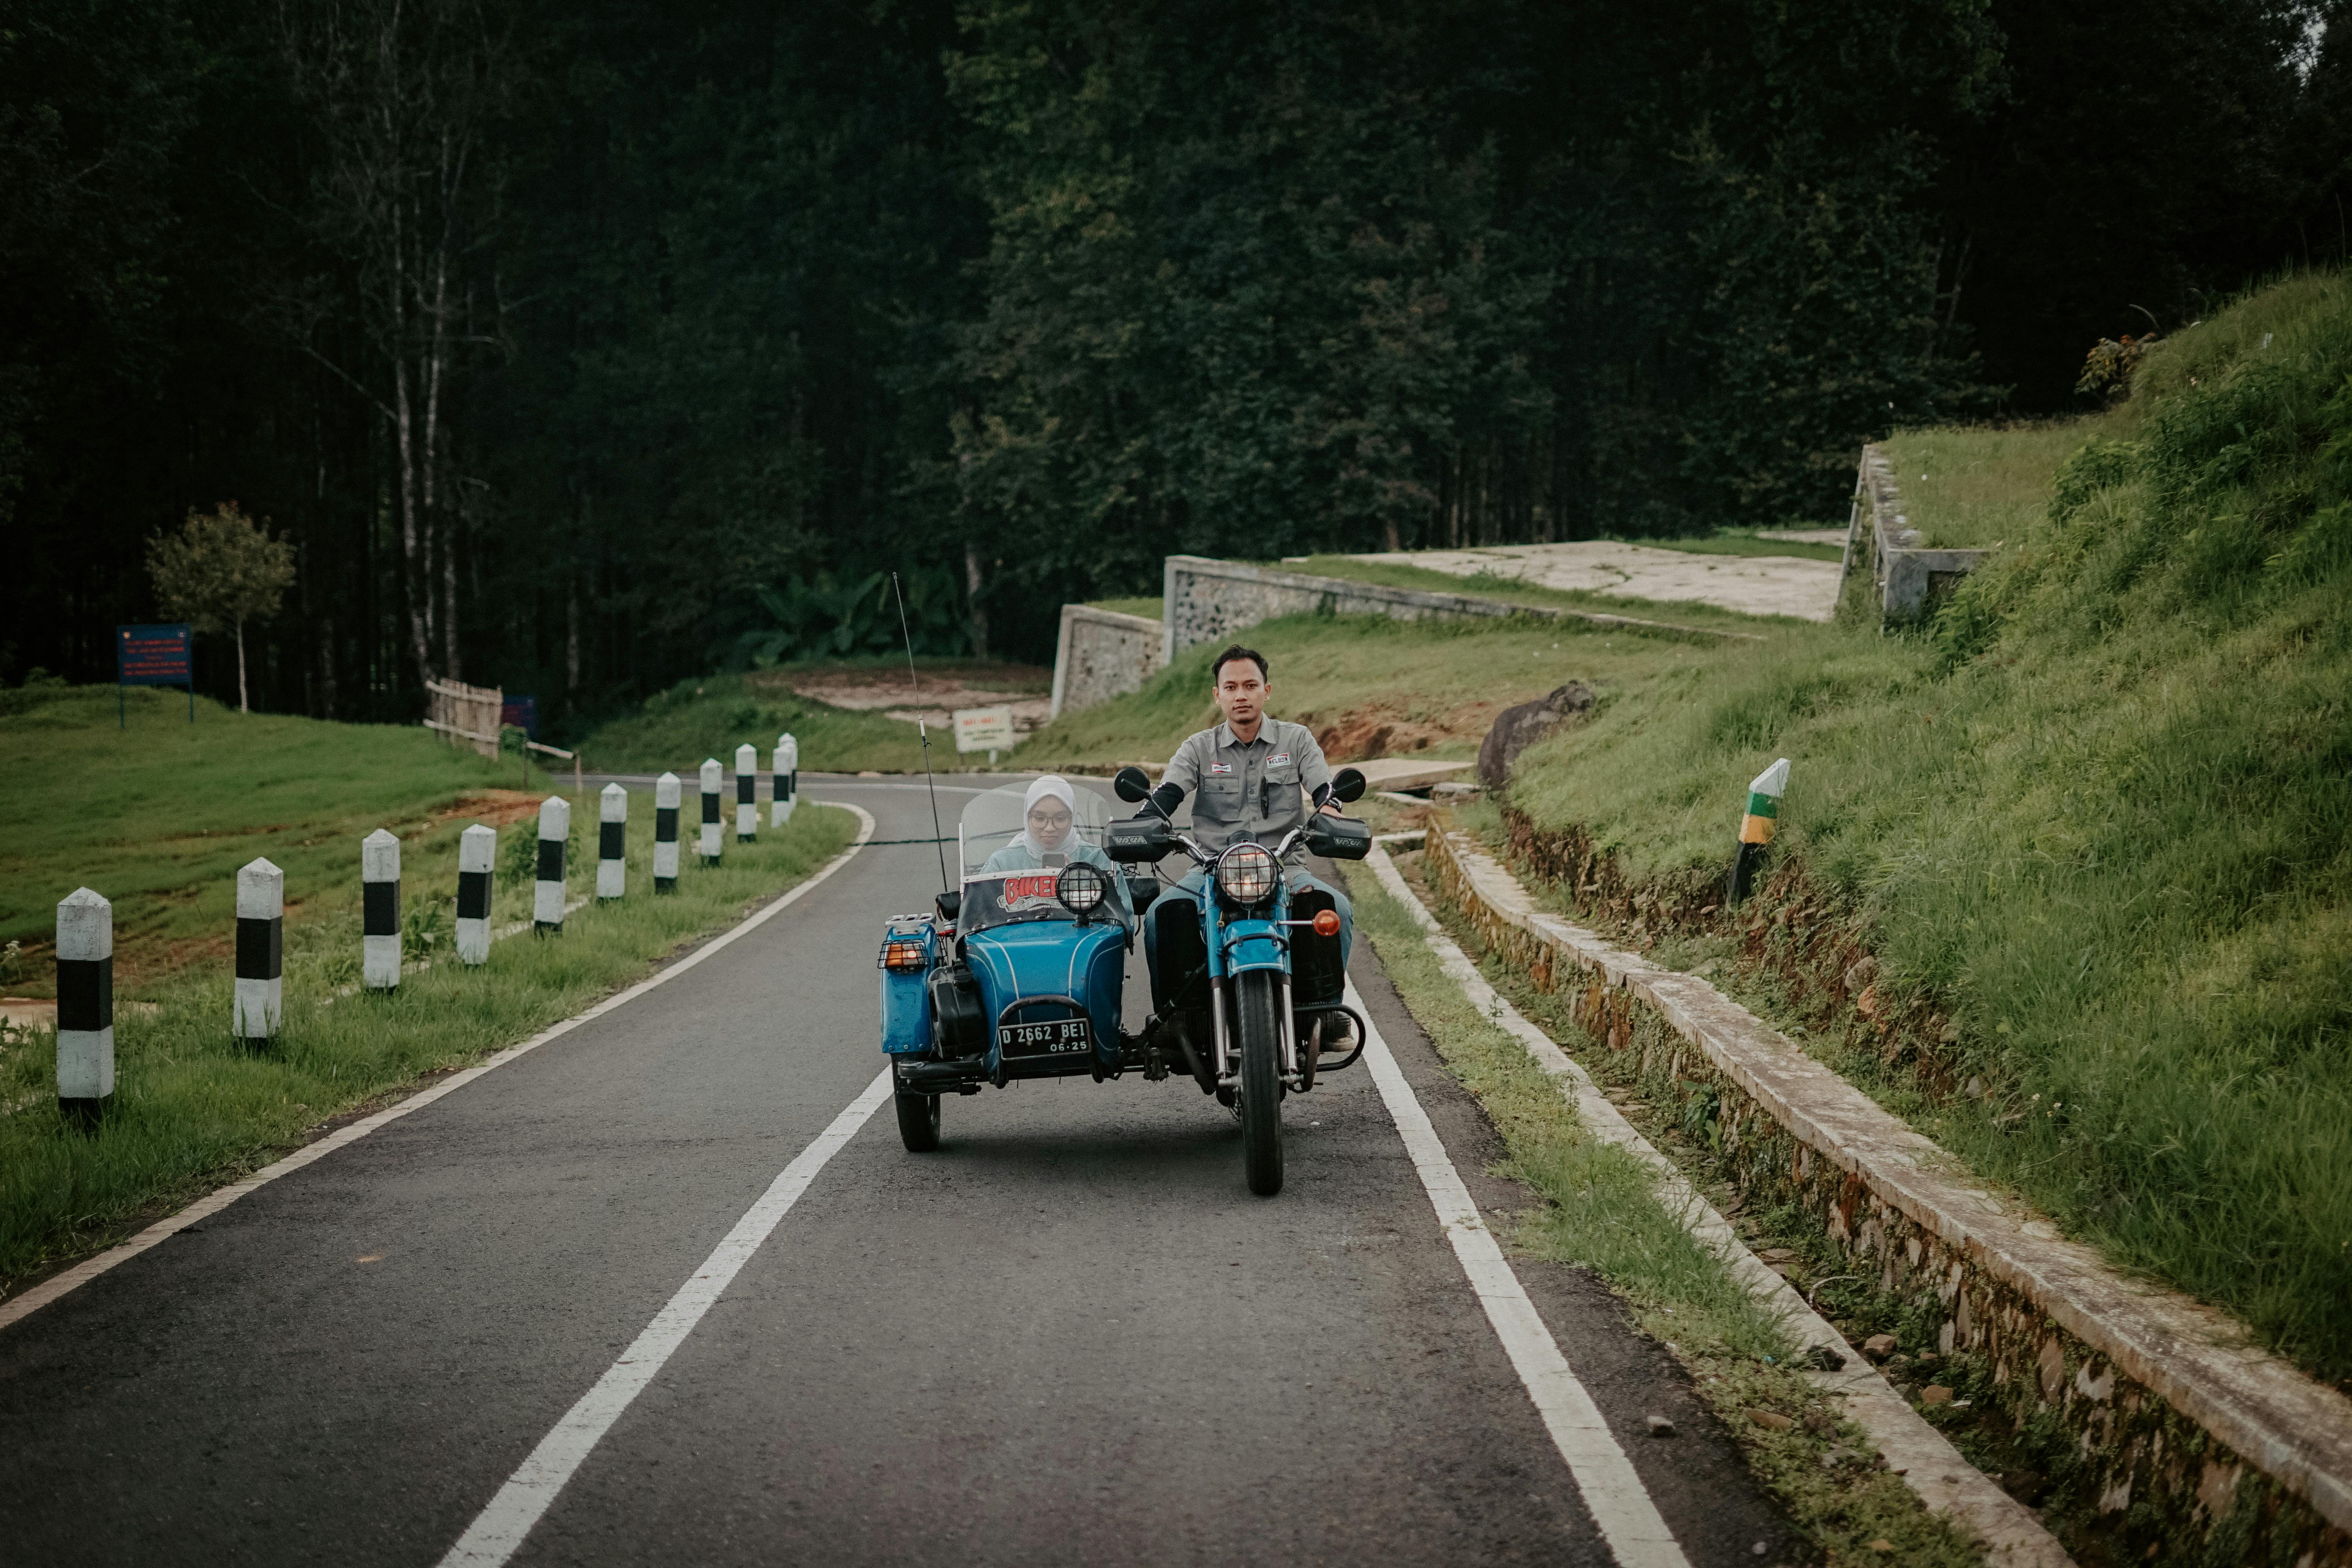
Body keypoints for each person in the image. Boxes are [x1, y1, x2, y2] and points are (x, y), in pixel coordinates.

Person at [1140, 644, 1352, 1013]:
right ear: (1218, 695)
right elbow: (1169, 792)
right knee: (1161, 914)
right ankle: (1175, 1018)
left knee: (1338, 911)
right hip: (1209, 869)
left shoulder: (1297, 740)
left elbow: (1323, 788)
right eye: (1232, 687)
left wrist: (1331, 809)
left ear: (1266, 691)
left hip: (1286, 867)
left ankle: (1326, 1009)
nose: (1242, 695)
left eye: (1251, 686)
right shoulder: (1198, 748)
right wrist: (1146, 822)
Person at [981, 774, 1130, 920]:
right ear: (1027, 817)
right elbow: (978, 918)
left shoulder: (1100, 860)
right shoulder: (1002, 863)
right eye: (1039, 819)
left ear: (1071, 818)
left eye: (1060, 819)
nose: (1050, 828)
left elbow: (1122, 921)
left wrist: (1078, 879)